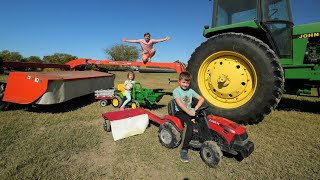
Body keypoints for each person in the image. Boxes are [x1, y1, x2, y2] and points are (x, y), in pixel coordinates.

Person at [172, 71, 204, 163]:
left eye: (187, 82)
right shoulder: (176, 91)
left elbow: (201, 99)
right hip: (180, 112)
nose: (185, 84)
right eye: (183, 82)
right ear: (179, 82)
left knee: (202, 120)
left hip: (190, 111)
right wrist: (190, 113)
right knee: (189, 125)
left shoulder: (190, 91)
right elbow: (181, 105)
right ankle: (184, 149)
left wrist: (195, 109)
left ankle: (201, 138)